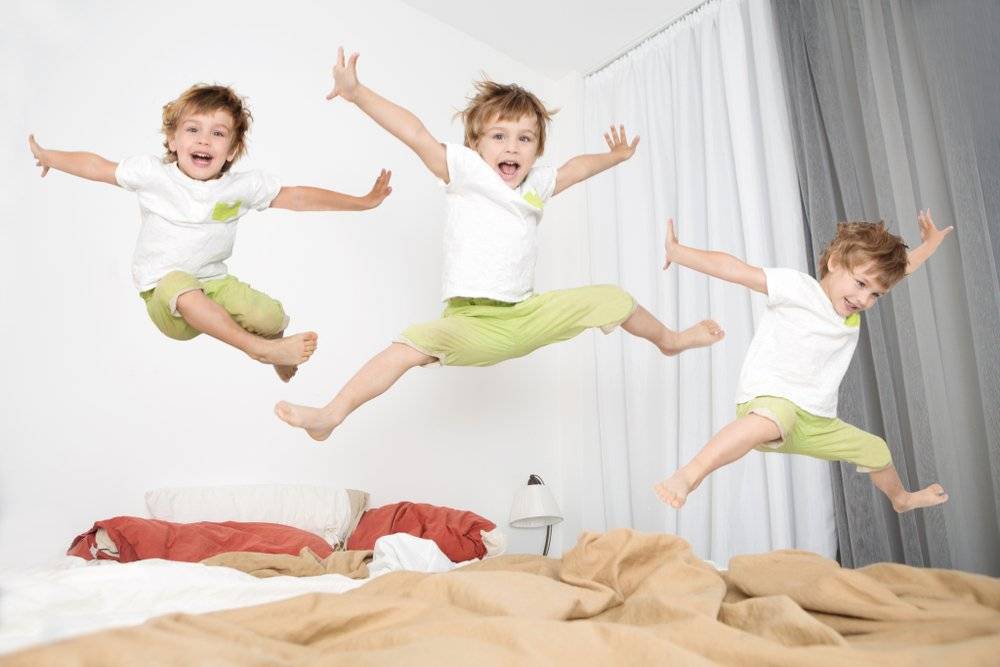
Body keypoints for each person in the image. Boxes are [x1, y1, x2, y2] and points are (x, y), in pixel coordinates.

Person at [275, 48, 724, 440]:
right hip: (470, 322)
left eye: (525, 139)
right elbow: (415, 133)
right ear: (475, 143)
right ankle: (331, 416)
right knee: (404, 349)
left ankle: (669, 340)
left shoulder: (536, 185)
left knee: (614, 298)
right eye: (499, 136)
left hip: (525, 315)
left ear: (536, 149)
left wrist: (614, 157)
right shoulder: (465, 172)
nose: (512, 148)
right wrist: (357, 93)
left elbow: (577, 169)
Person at [29, 83, 392, 381]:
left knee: (270, 316)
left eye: (218, 134)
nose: (204, 141)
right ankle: (259, 350)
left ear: (232, 150)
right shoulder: (153, 175)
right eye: (193, 130)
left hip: (214, 284)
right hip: (164, 296)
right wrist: (50, 157)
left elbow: (297, 197)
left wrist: (361, 202)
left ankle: (279, 355)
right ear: (173, 140)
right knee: (177, 283)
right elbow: (96, 166)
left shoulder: (239, 187)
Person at [655, 211, 952, 512]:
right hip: (769, 404)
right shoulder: (797, 288)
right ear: (834, 262)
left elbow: (900, 271)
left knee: (875, 449)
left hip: (816, 420)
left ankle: (902, 499)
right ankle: (688, 476)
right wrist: (678, 252)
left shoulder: (850, 310)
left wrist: (930, 244)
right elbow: (735, 270)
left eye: (876, 295)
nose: (864, 300)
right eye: (861, 284)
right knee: (774, 417)